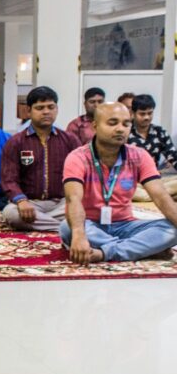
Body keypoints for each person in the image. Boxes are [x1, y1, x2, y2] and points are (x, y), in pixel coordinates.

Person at [62, 102, 177, 262]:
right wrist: (79, 234)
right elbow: (73, 199)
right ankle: (140, 250)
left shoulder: (139, 156)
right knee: (68, 228)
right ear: (95, 126)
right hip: (90, 224)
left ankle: (104, 253)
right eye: (112, 123)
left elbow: (160, 196)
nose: (120, 129)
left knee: (172, 228)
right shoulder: (78, 157)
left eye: (126, 124)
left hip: (126, 226)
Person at [1, 86, 81, 231]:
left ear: (57, 109)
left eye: (51, 107)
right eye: (40, 108)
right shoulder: (16, 142)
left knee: (86, 207)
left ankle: (49, 225)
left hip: (62, 203)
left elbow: (82, 173)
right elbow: (9, 179)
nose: (46, 112)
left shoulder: (70, 140)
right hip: (30, 203)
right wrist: (21, 201)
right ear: (29, 111)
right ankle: (64, 227)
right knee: (11, 213)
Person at [128, 94, 177, 201]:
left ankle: (156, 195)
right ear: (133, 113)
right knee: (124, 188)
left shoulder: (160, 132)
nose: (146, 117)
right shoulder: (125, 132)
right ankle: (162, 195)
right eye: (142, 114)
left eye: (150, 113)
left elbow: (173, 156)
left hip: (155, 180)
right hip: (133, 182)